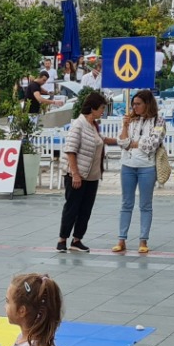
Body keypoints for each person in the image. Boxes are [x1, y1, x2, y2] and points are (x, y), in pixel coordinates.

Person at [57, 91, 113, 254]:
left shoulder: (93, 125)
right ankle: (62, 240)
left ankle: (77, 240)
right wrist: (75, 174)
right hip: (78, 175)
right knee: (72, 208)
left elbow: (101, 140)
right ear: (93, 108)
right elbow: (70, 150)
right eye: (102, 107)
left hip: (92, 176)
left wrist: (123, 141)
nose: (103, 111)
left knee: (85, 210)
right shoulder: (79, 125)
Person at [113, 90, 165, 254]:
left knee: (145, 204)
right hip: (128, 164)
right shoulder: (131, 120)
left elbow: (152, 144)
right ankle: (121, 239)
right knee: (126, 203)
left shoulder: (158, 120)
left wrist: (133, 143)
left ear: (147, 104)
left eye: (138, 104)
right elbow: (122, 142)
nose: (134, 107)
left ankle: (143, 240)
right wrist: (125, 126)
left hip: (147, 166)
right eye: (133, 104)